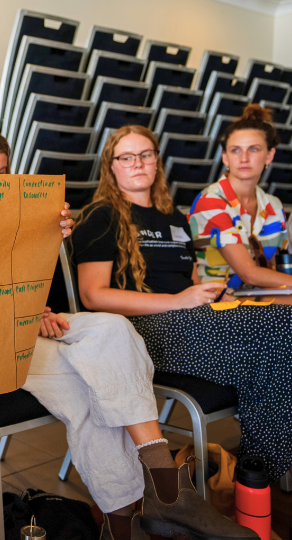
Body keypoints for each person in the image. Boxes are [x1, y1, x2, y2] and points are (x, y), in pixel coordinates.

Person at [0, 121, 256, 540]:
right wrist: (22, 313)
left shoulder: (12, 213)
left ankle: (159, 491)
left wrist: (42, 262)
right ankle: (139, 514)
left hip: (32, 323)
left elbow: (24, 282)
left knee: (112, 330)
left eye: (3, 173)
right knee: (88, 391)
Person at [73, 123, 292, 487]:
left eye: (145, 155)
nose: (137, 163)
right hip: (138, 332)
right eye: (126, 157)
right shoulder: (101, 215)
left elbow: (190, 282)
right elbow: (93, 296)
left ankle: (259, 469)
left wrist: (209, 294)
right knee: (278, 331)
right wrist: (177, 301)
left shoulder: (174, 217)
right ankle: (259, 475)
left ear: (157, 161)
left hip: (192, 320)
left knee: (280, 328)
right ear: (111, 166)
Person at [188, 104, 290, 296]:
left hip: (258, 295)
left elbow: (273, 270)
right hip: (218, 300)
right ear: (225, 158)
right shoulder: (210, 201)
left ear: (269, 155)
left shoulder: (274, 205)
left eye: (253, 149)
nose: (244, 158)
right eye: (235, 150)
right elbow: (249, 274)